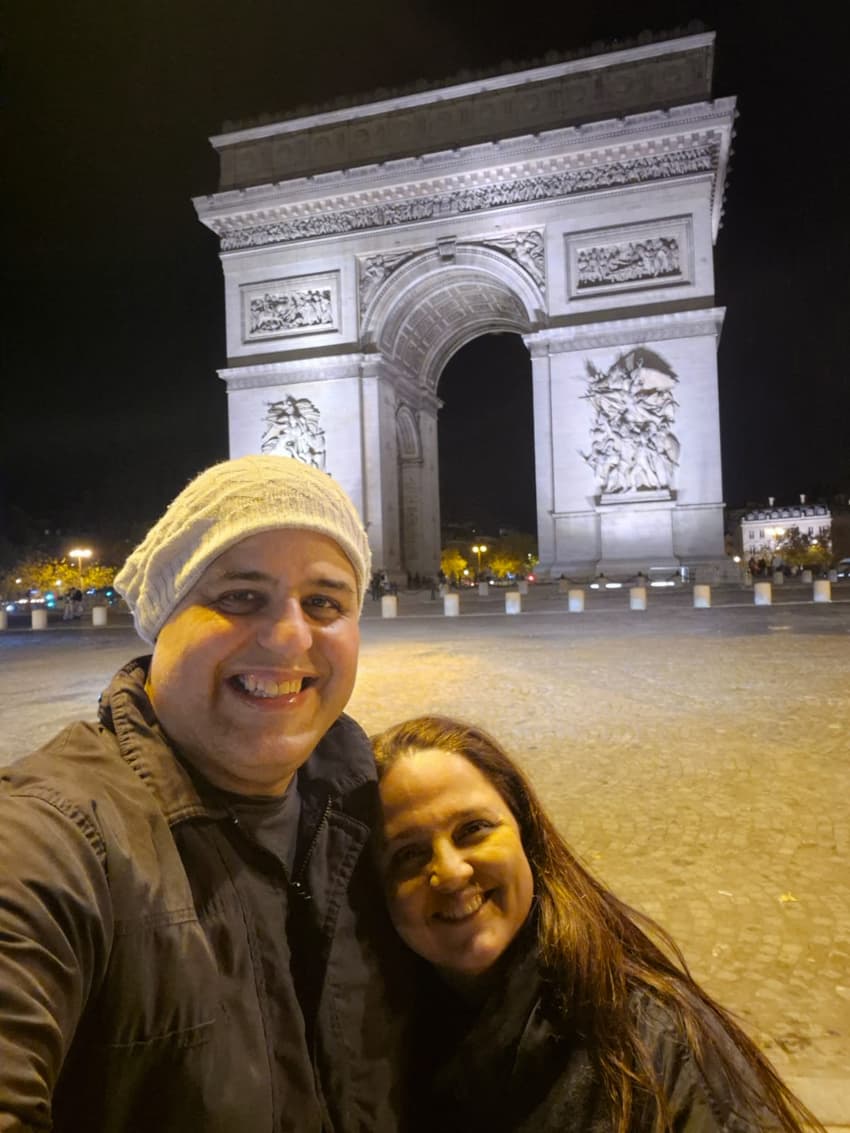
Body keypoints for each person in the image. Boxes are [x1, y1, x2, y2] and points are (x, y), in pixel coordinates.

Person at [0, 454, 409, 1133]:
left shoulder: (387, 814)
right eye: (239, 597)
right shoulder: (48, 838)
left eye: (324, 602)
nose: (288, 637)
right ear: (163, 621)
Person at [371, 715, 823, 1133]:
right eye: (408, 854)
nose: (450, 872)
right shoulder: (375, 1049)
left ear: (526, 835)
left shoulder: (654, 1045)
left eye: (473, 829)